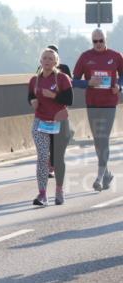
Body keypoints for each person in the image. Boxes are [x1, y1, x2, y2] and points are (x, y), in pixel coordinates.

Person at [72, 30, 123, 191]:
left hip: (109, 103)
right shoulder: (85, 57)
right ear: (92, 41)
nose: (98, 43)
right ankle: (106, 173)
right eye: (95, 41)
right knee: (97, 140)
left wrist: (119, 86)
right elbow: (73, 81)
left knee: (104, 138)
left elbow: (122, 76)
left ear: (105, 40)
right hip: (92, 103)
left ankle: (99, 178)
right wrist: (88, 83)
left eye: (101, 40)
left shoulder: (116, 56)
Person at [28, 48, 74, 206]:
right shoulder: (34, 80)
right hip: (40, 122)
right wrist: (32, 101)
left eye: (50, 58)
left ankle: (59, 190)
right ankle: (42, 195)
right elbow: (31, 96)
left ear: (56, 62)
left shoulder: (62, 78)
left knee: (57, 159)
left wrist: (53, 95)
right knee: (42, 158)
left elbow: (69, 99)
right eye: (44, 58)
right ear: (40, 61)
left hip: (59, 122)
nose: (47, 61)